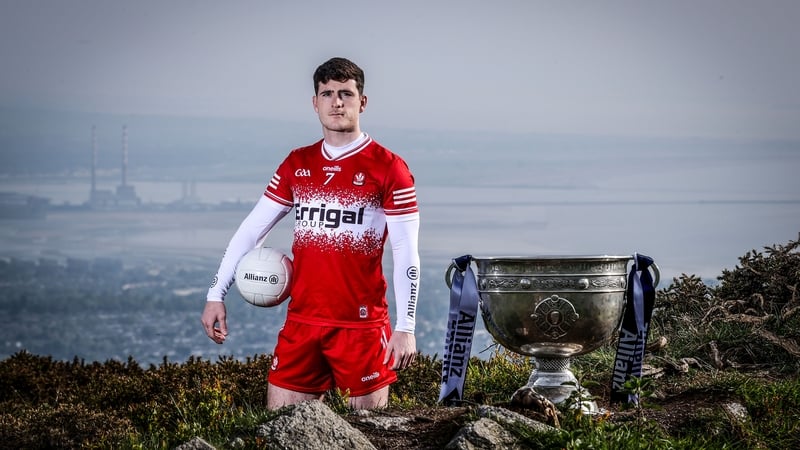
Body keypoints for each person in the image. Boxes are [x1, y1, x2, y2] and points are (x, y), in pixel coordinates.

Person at [201, 57, 421, 410]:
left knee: (370, 437)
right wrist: (216, 294)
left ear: (362, 102)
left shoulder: (388, 167)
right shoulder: (297, 163)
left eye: (346, 94)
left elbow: (406, 251)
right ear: (315, 102)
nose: (337, 102)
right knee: (281, 433)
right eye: (328, 94)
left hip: (361, 328)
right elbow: (251, 231)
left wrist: (406, 326)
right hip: (302, 321)